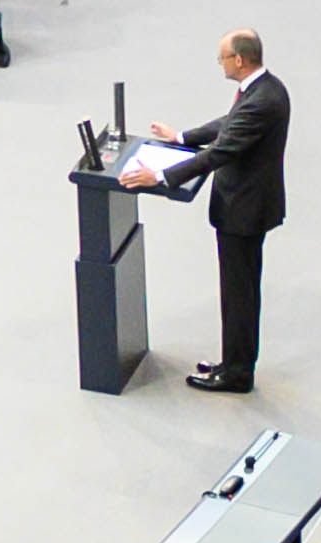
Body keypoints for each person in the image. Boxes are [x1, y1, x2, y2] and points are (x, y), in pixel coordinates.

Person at [121, 29, 290, 394]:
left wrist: (161, 176)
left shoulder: (263, 101)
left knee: (239, 294)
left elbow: (220, 152)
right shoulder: (262, 89)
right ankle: (233, 362)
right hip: (246, 206)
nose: (220, 64)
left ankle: (237, 373)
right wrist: (182, 137)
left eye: (222, 58)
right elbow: (229, 123)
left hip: (244, 211)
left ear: (239, 60)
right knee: (238, 291)